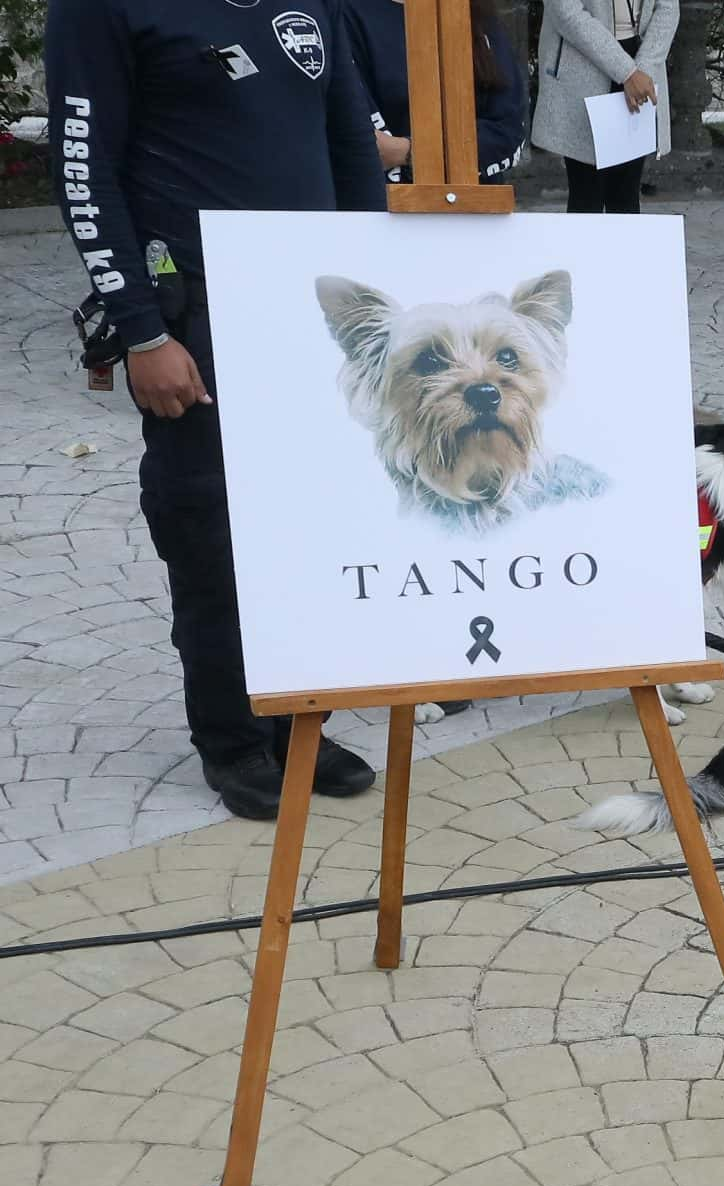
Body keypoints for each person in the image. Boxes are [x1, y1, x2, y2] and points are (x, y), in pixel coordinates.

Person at [48, 0, 388, 820]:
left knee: (312, 533)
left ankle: (297, 721)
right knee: (211, 535)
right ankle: (232, 739)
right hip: (192, 320)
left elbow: (351, 152)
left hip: (309, 316)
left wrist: (380, 301)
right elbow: (85, 174)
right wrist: (139, 331)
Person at [340, 0, 531, 187]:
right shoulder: (348, 14)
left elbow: (509, 130)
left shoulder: (473, 12)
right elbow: (370, 142)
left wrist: (411, 151)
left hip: (475, 207)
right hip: (390, 207)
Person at [530, 0, 677, 214]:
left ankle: (625, 249)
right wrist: (628, 72)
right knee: (586, 194)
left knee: (626, 194)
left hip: (639, 59)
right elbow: (565, 12)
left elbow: (668, 8)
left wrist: (643, 68)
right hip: (583, 62)